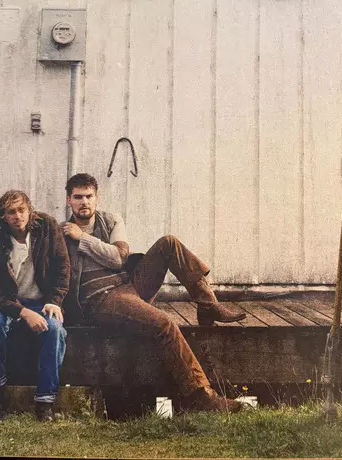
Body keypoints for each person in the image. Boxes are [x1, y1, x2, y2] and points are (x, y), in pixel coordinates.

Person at [61, 173, 247, 412]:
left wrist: (83, 238)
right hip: (102, 299)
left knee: (168, 243)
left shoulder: (111, 220)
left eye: (89, 196)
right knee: (164, 324)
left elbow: (119, 258)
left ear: (97, 198)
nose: (84, 202)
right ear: (69, 200)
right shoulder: (61, 233)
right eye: (78, 197)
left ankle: (207, 304)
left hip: (128, 284)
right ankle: (201, 396)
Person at [0, 190, 70, 422]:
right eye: (11, 212)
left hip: (43, 301)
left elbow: (62, 267)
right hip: (12, 303)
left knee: (55, 329)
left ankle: (45, 401)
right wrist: (23, 312)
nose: (17, 216)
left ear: (30, 210)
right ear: (3, 216)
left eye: (21, 210)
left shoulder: (47, 227)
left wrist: (54, 301)